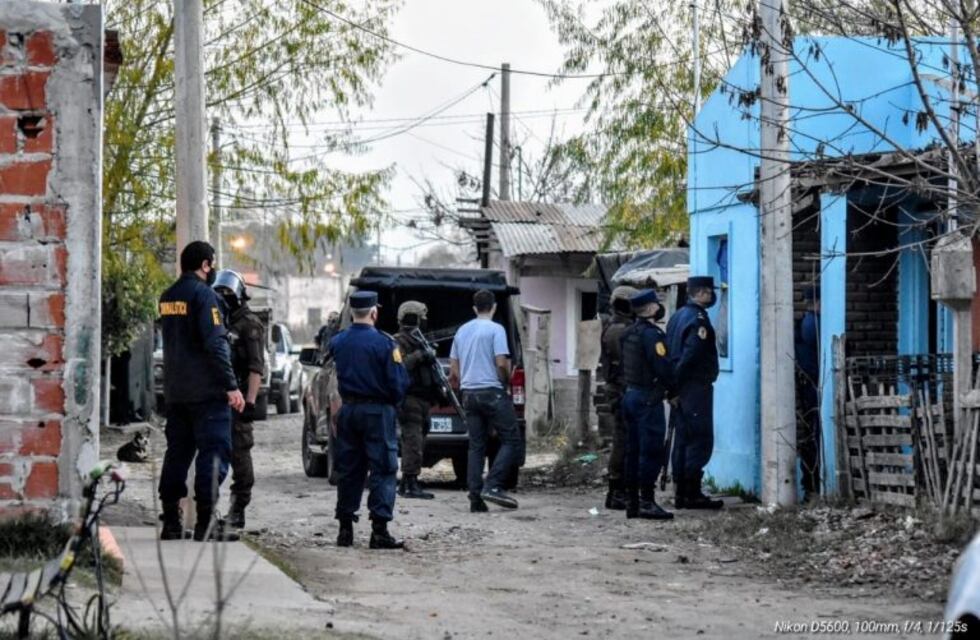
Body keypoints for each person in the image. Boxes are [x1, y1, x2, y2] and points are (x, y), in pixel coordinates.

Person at [158, 241, 246, 542]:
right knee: (214, 453)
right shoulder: (205, 296)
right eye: (212, 264)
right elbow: (215, 344)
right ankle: (206, 523)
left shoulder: (168, 297)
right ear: (206, 265)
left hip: (176, 392)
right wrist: (232, 386)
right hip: (207, 394)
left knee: (177, 454)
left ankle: (171, 521)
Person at [330, 291, 410, 549]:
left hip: (349, 410)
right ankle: (379, 530)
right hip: (378, 412)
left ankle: (345, 529)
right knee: (384, 468)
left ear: (353, 313)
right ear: (374, 312)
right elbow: (398, 384)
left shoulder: (338, 341)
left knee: (349, 469)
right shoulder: (386, 344)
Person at [449, 289, 523, 512]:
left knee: (476, 446)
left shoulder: (462, 331)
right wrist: (505, 381)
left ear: (474, 308)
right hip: (492, 391)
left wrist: (465, 383)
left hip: (469, 394)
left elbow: (454, 368)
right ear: (494, 307)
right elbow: (501, 362)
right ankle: (493, 485)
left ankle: (475, 498)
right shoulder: (496, 329)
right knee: (511, 440)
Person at [213, 270, 266, 529]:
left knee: (240, 455)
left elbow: (256, 367)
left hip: (239, 400)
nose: (224, 297)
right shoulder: (217, 318)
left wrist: (250, 402)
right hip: (216, 398)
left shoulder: (250, 324)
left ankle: (238, 509)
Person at [665, 276, 724, 510]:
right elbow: (691, 355)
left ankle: (682, 490)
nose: (712, 296)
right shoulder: (697, 320)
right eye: (709, 292)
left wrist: (672, 386)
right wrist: (678, 383)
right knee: (698, 439)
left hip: (682, 388)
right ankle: (691, 493)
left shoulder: (677, 316)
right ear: (700, 293)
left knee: (683, 438)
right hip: (694, 388)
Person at [619, 289, 676, 520]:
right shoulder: (652, 336)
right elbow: (662, 367)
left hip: (631, 396)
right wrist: (674, 391)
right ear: (652, 308)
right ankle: (646, 501)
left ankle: (632, 501)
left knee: (632, 451)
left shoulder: (628, 333)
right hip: (647, 399)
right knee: (650, 450)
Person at [393, 301, 437, 500]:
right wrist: (421, 355)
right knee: (413, 441)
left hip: (422, 398)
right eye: (422, 318)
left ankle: (405, 484)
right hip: (408, 398)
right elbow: (400, 365)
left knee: (418, 441)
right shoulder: (397, 342)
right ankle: (410, 483)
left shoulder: (420, 339)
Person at [599, 285, 638, 510]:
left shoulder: (619, 326)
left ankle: (620, 489)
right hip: (621, 390)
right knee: (622, 441)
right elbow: (625, 364)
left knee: (625, 439)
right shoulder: (618, 330)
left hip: (622, 389)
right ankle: (617, 490)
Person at [795, 286, 821, 500]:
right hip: (814, 386)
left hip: (807, 387)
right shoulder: (813, 324)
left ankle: (810, 485)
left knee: (809, 435)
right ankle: (813, 485)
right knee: (814, 435)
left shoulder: (805, 323)